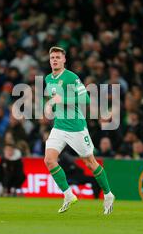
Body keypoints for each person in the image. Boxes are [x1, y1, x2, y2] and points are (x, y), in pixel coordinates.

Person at [43, 46, 114, 214]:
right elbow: (53, 99)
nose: (54, 60)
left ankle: (108, 194)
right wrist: (48, 105)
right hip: (59, 126)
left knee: (90, 162)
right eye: (52, 57)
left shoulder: (71, 77)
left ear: (64, 60)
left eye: (58, 57)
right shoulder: (48, 78)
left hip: (76, 128)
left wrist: (62, 98)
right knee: (49, 160)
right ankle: (68, 195)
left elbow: (85, 98)